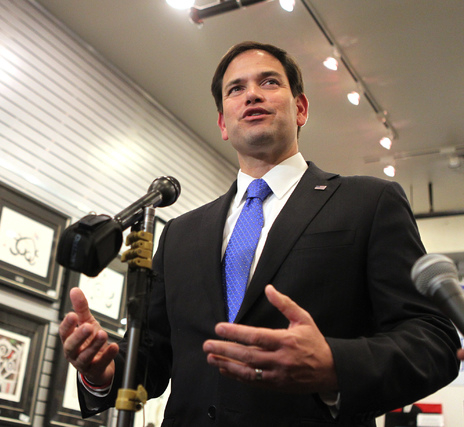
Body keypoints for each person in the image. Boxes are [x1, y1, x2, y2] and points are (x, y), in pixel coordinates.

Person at [59, 41, 461, 426]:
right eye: (236, 89)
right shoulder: (181, 233)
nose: (251, 94)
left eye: (269, 82)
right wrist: (101, 372)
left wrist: (334, 365)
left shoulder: (368, 202)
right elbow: (154, 358)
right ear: (223, 123)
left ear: (300, 108)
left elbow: (433, 339)